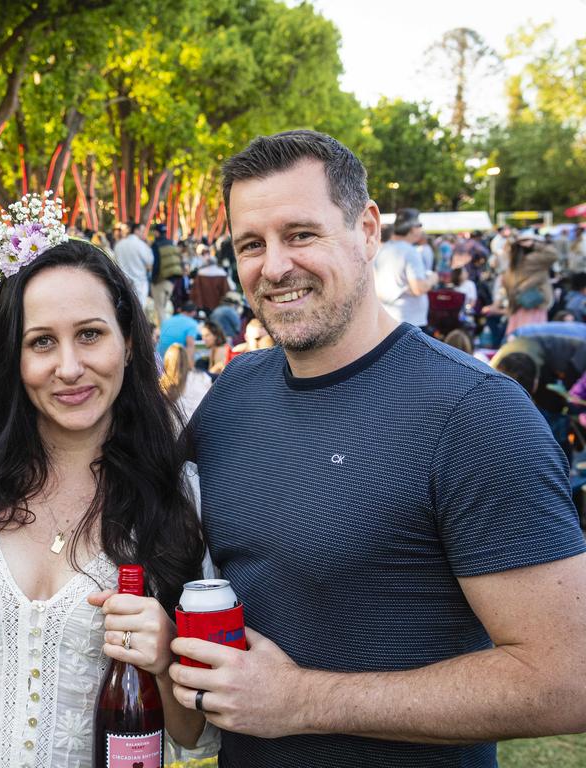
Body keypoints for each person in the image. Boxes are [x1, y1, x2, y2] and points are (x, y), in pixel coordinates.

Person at [170, 129, 586, 768]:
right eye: (250, 244)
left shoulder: (476, 412)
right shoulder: (232, 396)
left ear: (367, 230)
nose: (274, 266)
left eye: (301, 234)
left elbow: (565, 679)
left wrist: (304, 700)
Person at [0, 194, 209, 767]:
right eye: (42, 342)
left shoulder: (178, 496)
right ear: (13, 360)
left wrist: (165, 656)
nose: (69, 367)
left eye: (90, 334)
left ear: (127, 342)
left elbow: (194, 736)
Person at [373, 208, 438, 328]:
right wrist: (433, 278)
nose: (421, 230)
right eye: (420, 225)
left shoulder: (381, 250)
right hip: (410, 320)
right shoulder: (410, 252)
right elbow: (419, 288)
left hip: (389, 316)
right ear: (413, 228)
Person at [161, 342, 212, 421]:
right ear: (186, 359)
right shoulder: (203, 378)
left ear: (167, 361)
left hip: (175, 430)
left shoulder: (163, 384)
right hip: (202, 427)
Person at [113, 220, 154, 308]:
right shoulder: (141, 245)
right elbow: (150, 261)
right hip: (139, 282)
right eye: (142, 231)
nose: (144, 234)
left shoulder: (119, 244)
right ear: (136, 230)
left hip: (123, 280)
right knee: (139, 308)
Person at [151, 222, 182, 324]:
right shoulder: (171, 243)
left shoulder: (156, 245)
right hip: (171, 282)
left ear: (156, 232)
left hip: (160, 281)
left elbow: (156, 264)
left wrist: (153, 280)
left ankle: (164, 336)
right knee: (164, 308)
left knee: (160, 310)